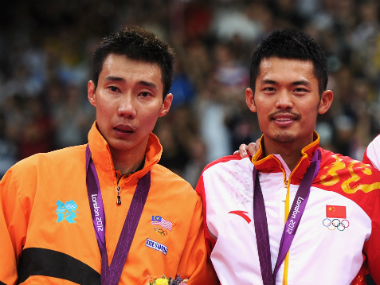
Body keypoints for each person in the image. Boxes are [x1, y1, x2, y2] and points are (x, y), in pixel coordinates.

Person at [0, 26, 218, 285]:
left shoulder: (185, 205)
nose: (126, 109)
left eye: (144, 94)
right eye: (114, 89)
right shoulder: (29, 179)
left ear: (165, 105)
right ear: (92, 92)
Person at [196, 29, 380, 285]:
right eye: (270, 89)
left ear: (324, 101)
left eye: (299, 90)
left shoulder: (364, 185)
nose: (283, 102)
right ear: (251, 99)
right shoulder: (217, 180)